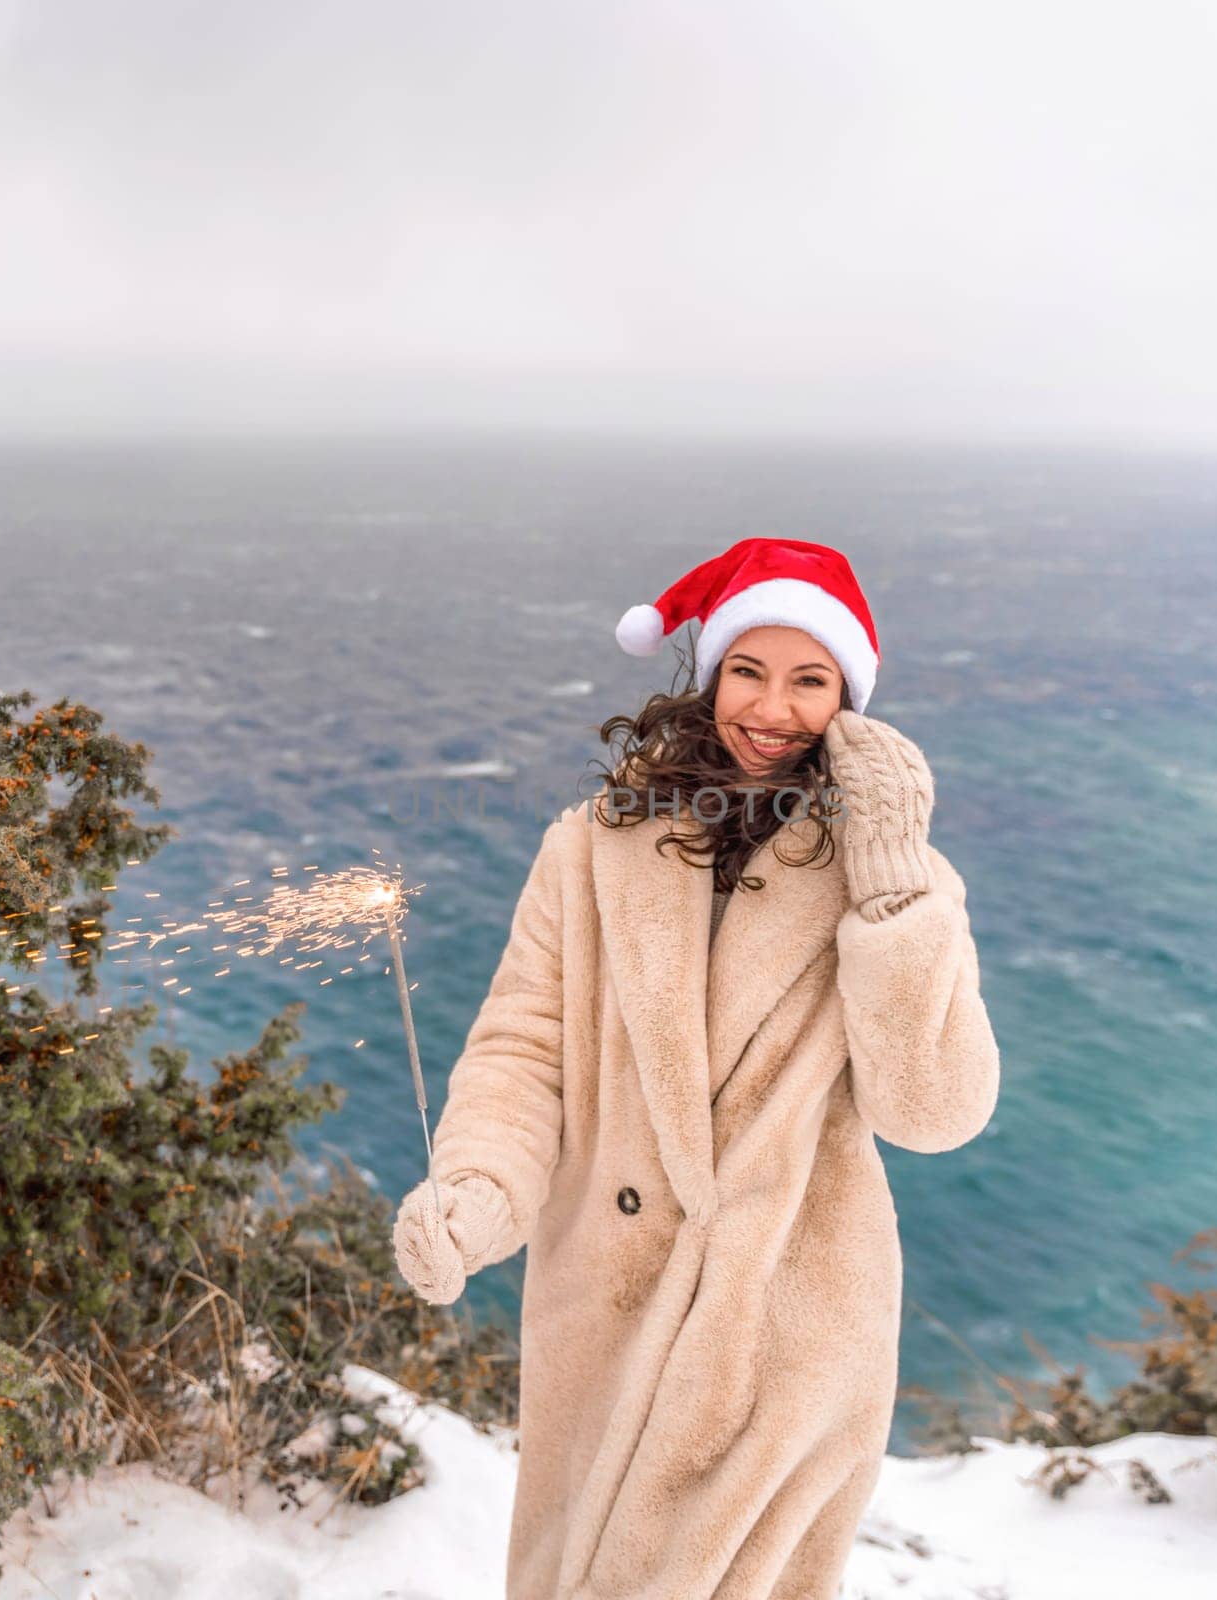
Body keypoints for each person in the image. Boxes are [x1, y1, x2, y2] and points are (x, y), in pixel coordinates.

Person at [393, 536, 1001, 1599]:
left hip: (784, 1331)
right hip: (604, 1313)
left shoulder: (895, 884)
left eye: (809, 680)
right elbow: (521, 1048)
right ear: (708, 675)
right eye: (747, 671)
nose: (771, 707)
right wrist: (479, 1194)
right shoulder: (584, 849)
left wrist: (893, 885)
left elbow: (932, 1113)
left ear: (847, 698)